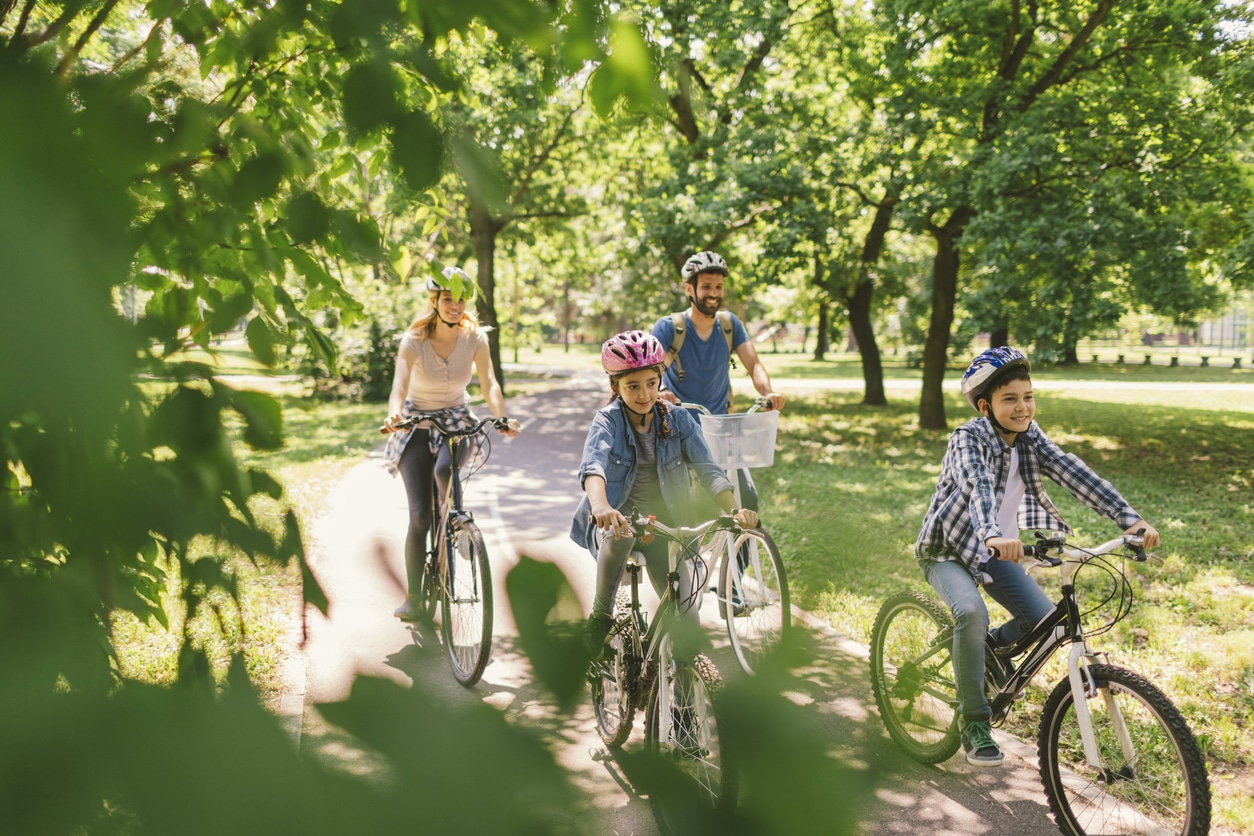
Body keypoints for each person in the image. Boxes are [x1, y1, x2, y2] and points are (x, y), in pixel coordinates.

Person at [914, 346, 1161, 767]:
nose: (1022, 407)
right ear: (984, 405)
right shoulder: (967, 439)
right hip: (949, 550)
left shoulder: (1031, 437)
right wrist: (993, 533)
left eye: (1028, 396)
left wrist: (1129, 520)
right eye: (1009, 399)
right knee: (971, 613)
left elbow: (1074, 472)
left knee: (1044, 621)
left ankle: (981, 652)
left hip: (995, 550)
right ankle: (974, 721)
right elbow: (978, 487)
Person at [572, 330, 758, 655]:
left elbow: (708, 470)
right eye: (632, 386)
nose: (644, 394)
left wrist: (733, 509)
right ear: (615, 387)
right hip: (618, 521)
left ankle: (685, 699)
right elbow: (594, 467)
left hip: (664, 527)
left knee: (687, 621)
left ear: (660, 380)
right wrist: (601, 506)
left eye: (650, 383)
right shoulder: (608, 421)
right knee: (621, 531)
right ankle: (601, 614)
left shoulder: (679, 420)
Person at [382, 268, 520, 621]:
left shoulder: (476, 339)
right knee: (419, 518)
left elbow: (489, 383)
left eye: (461, 300)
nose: (456, 306)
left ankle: (457, 525)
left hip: (457, 418)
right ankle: (414, 597)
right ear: (434, 302)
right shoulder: (413, 340)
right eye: (448, 299)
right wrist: (394, 414)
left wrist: (501, 416)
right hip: (415, 423)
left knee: (446, 469)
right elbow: (399, 385)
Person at [651, 251, 784, 512]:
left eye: (719, 287)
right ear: (690, 289)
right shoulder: (670, 328)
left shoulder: (729, 325)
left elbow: (753, 363)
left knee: (747, 500)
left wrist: (769, 393)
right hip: (681, 430)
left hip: (721, 430)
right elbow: (652, 372)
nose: (714, 293)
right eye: (706, 286)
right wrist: (663, 390)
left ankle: (740, 553)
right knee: (684, 507)